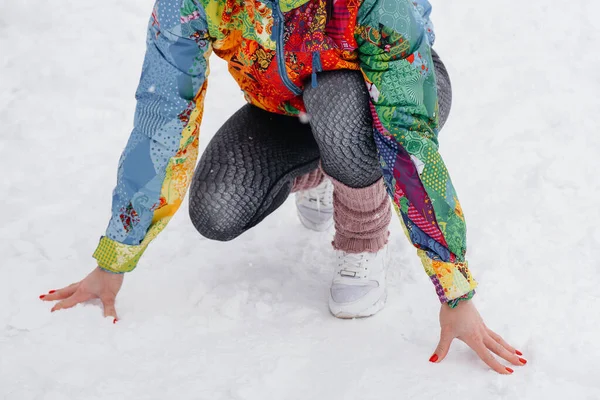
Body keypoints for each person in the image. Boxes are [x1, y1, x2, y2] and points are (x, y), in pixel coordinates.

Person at [40, 0, 526, 373]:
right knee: (216, 212)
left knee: (340, 111)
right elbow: (163, 119)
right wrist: (115, 256)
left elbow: (408, 137)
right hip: (289, 108)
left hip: (395, 96)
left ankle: (361, 230)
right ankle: (327, 166)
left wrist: (454, 292)